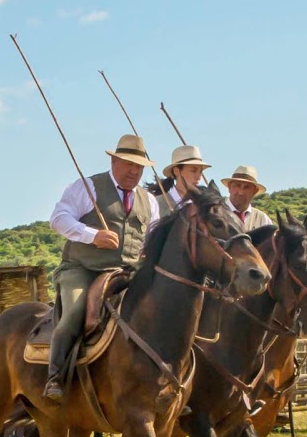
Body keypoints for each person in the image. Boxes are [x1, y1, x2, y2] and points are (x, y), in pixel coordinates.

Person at [45, 135, 160, 403]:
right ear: (114, 160)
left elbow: (153, 234)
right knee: (74, 312)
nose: (134, 171)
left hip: (127, 272)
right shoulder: (88, 187)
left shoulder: (150, 201)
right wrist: (91, 235)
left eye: (140, 167)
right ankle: (55, 377)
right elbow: (58, 219)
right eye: (129, 164)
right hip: (83, 268)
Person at [156, 145, 211, 217]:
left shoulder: (201, 206)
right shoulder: (157, 204)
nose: (199, 177)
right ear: (177, 171)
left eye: (200, 172)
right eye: (193, 171)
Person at [220, 165, 273, 231]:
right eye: (238, 185)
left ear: (255, 191)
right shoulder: (215, 213)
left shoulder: (263, 221)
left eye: (247, 187)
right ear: (229, 186)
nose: (241, 192)